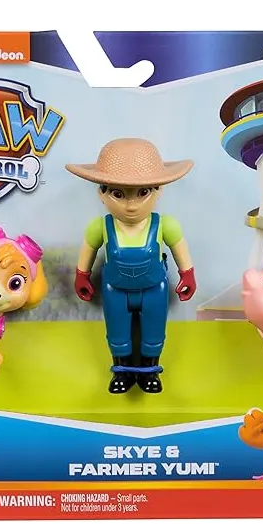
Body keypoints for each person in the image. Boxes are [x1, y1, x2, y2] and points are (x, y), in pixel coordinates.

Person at [66, 138, 197, 394]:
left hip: (154, 289)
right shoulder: (101, 227)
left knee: (154, 332)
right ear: (102, 193)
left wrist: (187, 274)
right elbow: (88, 252)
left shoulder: (166, 225)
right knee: (117, 333)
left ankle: (150, 372)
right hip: (114, 290)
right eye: (118, 194)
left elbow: (181, 251)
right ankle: (122, 372)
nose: (131, 204)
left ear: (158, 191)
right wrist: (82, 276)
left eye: (142, 193)